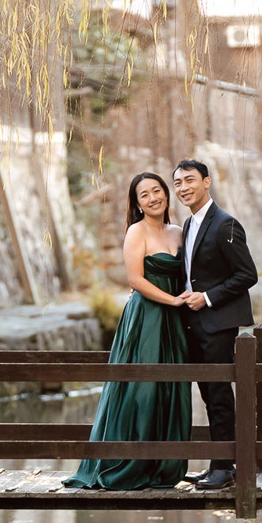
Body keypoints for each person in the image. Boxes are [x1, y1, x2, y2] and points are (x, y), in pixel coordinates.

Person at [65, 172, 191, 490]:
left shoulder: (179, 232)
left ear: (166, 193)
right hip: (147, 316)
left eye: (157, 190)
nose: (152, 198)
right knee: (142, 389)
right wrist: (173, 301)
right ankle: (129, 463)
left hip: (174, 322)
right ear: (136, 203)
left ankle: (165, 466)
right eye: (143, 195)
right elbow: (135, 280)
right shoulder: (136, 232)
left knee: (172, 388)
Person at [172, 159, 258, 491]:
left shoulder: (225, 224)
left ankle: (226, 467)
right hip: (194, 323)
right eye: (178, 183)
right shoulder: (189, 225)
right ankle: (218, 464)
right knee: (208, 394)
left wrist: (207, 297)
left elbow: (247, 275)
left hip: (219, 322)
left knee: (220, 393)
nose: (183, 188)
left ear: (207, 182)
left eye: (189, 180)